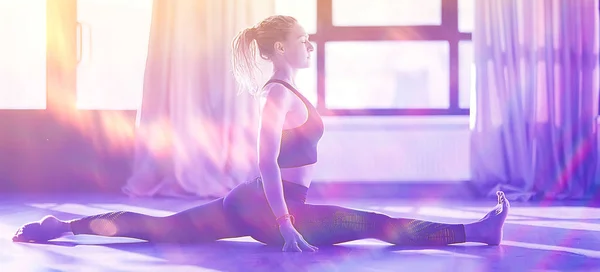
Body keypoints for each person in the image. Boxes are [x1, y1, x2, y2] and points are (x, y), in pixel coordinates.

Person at [12, 15, 510, 251]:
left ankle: (66, 227)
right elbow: (266, 164)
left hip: (254, 204)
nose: (309, 45)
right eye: (301, 41)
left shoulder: (291, 90)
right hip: (270, 209)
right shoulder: (275, 95)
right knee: (375, 224)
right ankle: (476, 232)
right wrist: (287, 225)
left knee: (164, 228)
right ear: (277, 49)